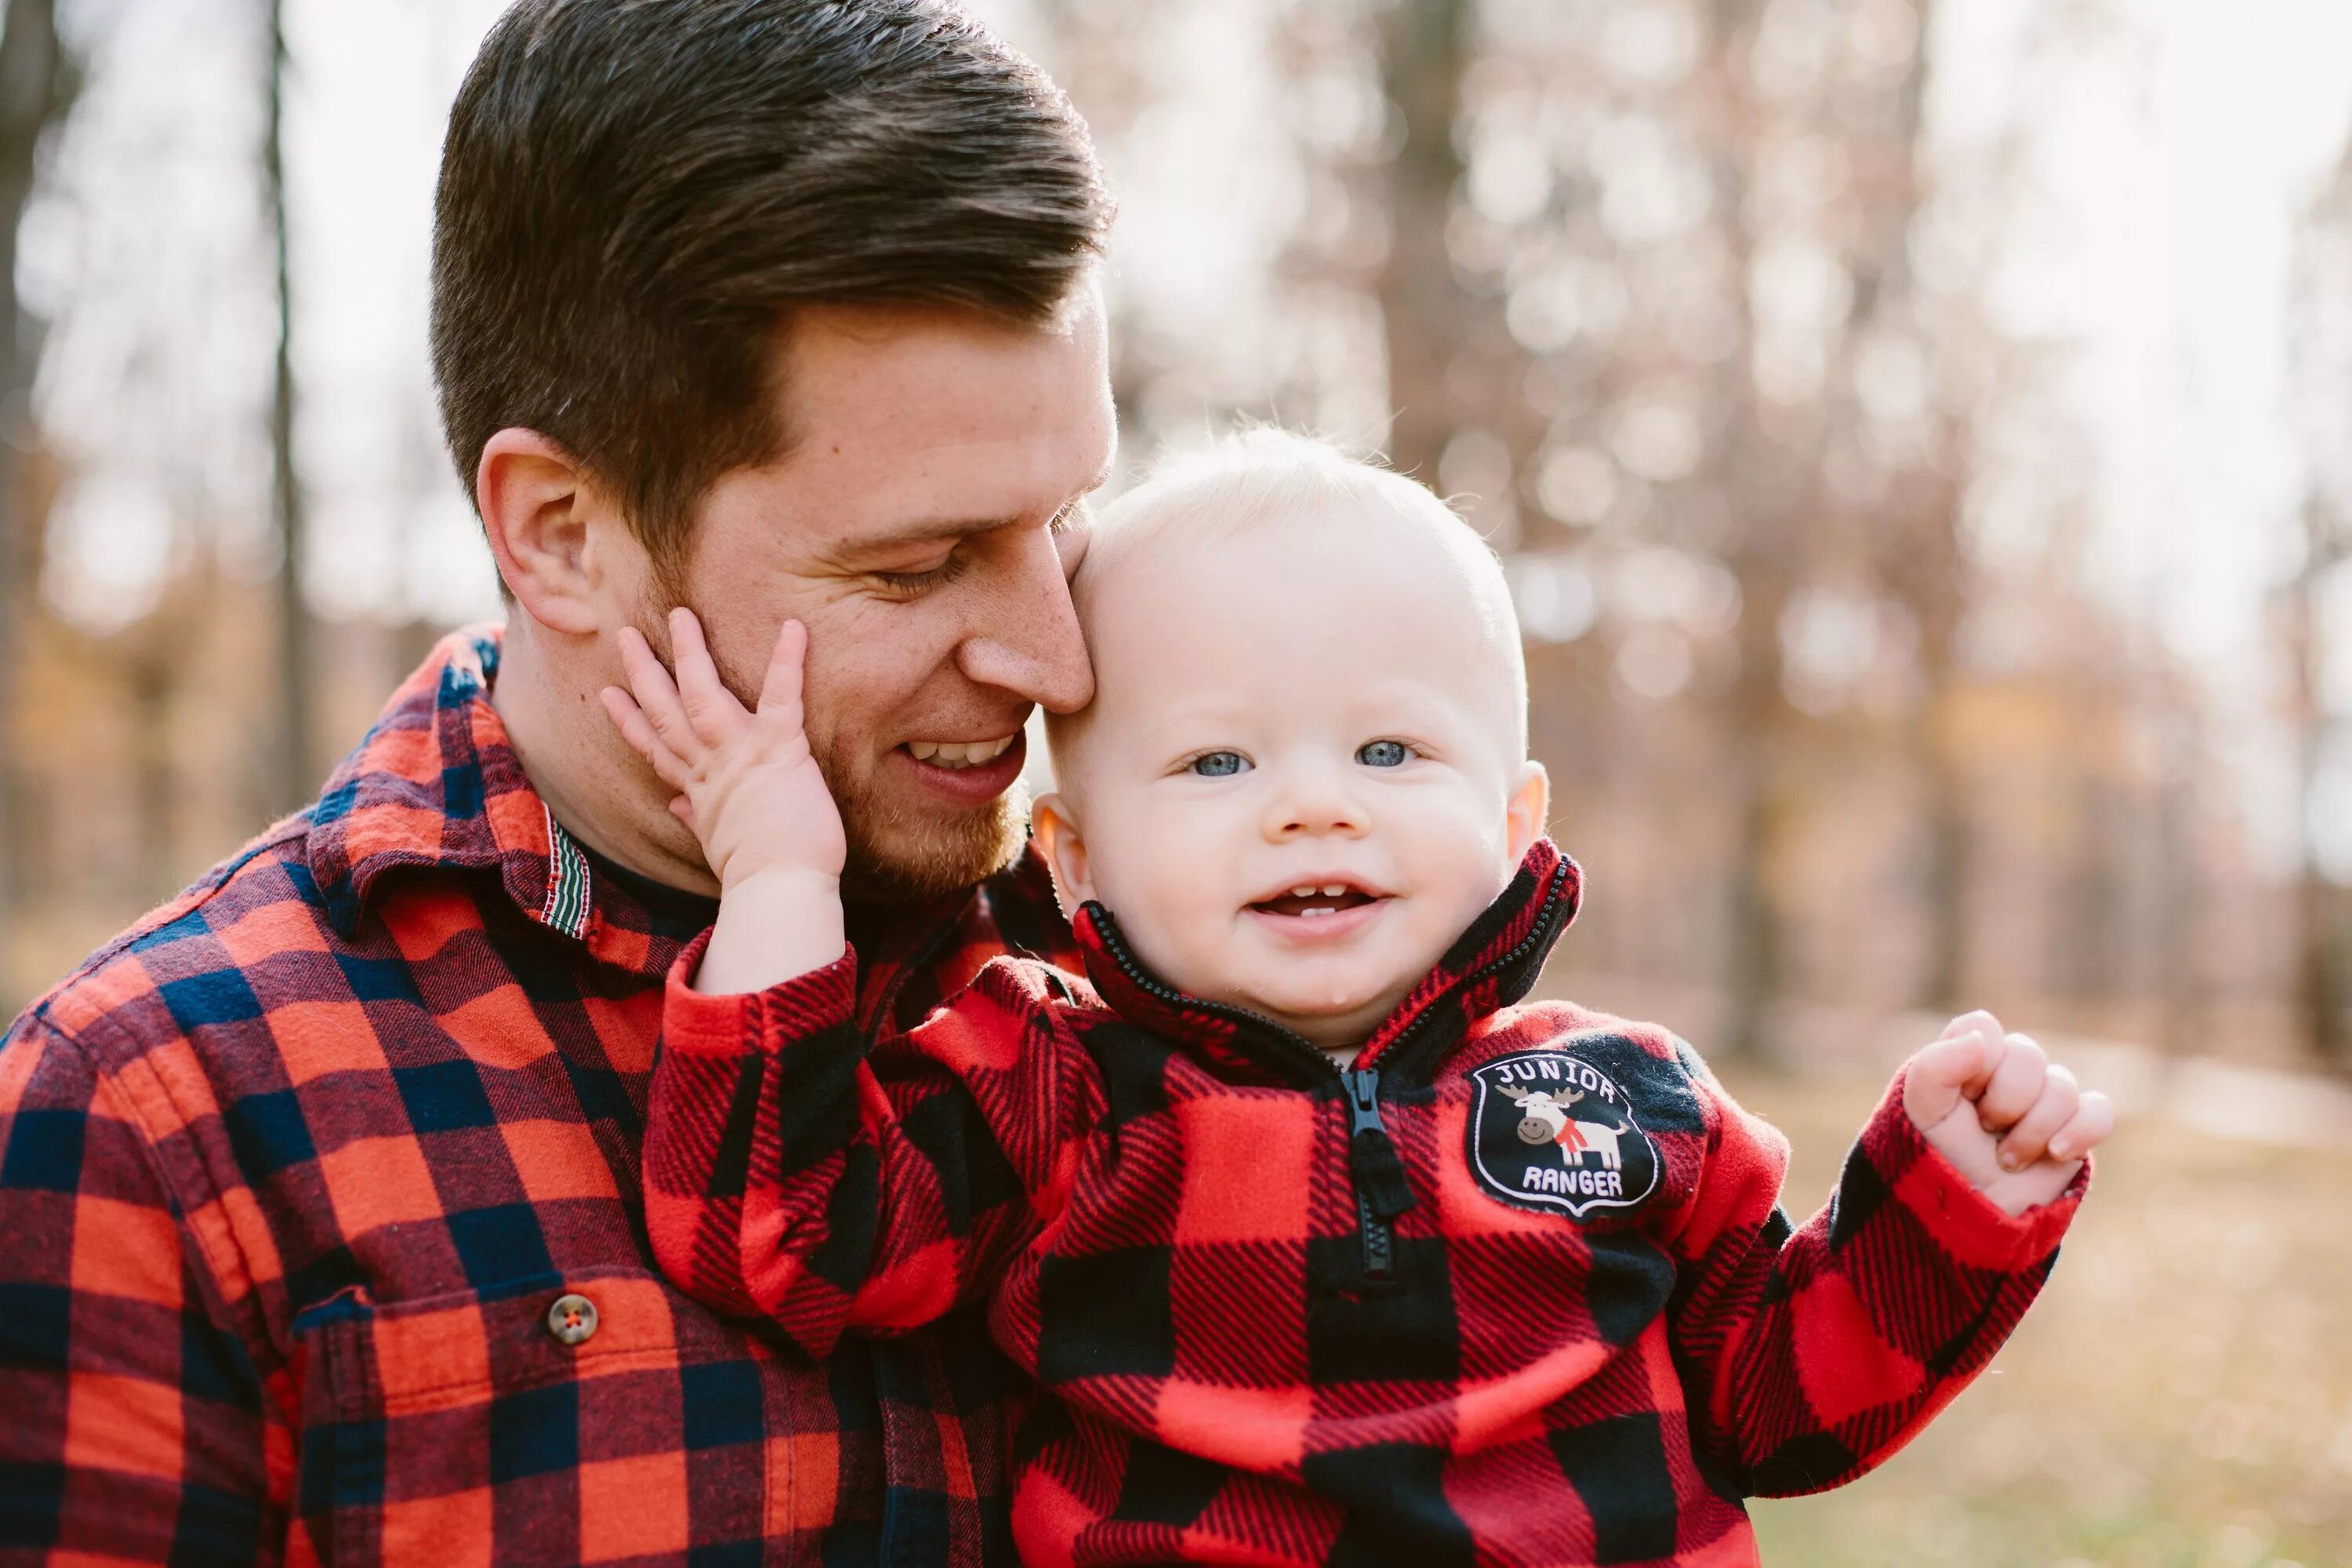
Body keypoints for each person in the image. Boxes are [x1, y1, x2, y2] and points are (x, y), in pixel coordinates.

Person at [0, 2, 1114, 1562]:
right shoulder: (162, 1120)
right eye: (921, 564)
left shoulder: (1148, 979)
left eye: (1066, 524)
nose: (1055, 662)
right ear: (563, 534)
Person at [621, 433, 2116, 1568]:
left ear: (1519, 818)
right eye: (1218, 764)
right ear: (1077, 859)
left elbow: (1779, 1411)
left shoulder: (1628, 1102)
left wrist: (1950, 1211)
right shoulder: (1053, 1083)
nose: (1312, 812)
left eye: (1391, 755)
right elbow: (783, 1239)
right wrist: (776, 884)